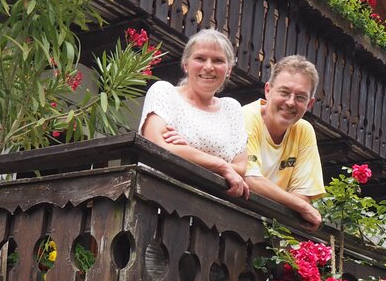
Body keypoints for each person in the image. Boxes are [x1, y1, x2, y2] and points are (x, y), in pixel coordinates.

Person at [139, 29, 249, 199]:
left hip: (211, 211)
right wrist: (222, 165)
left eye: (218, 60)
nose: (208, 67)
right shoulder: (165, 92)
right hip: (159, 201)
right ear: (185, 64)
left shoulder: (232, 108)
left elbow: (241, 167)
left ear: (229, 70)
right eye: (200, 58)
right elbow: (157, 146)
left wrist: (187, 151)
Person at [243, 55, 325, 228]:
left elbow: (303, 195)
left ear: (309, 104)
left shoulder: (304, 131)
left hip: (270, 231)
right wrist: (301, 206)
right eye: (284, 92)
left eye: (300, 97)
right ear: (268, 90)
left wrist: (300, 204)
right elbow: (250, 178)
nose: (290, 102)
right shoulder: (247, 116)